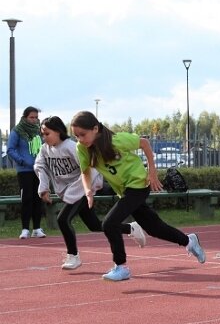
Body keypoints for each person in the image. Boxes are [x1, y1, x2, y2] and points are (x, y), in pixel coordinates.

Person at [70, 111, 205, 281]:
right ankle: (189, 241)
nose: (80, 139)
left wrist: (152, 172)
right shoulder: (82, 148)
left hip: (138, 184)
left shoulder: (117, 140)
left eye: (83, 134)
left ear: (95, 129)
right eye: (76, 136)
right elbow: (85, 172)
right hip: (125, 190)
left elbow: (145, 143)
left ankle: (121, 267)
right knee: (154, 228)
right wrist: (88, 190)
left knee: (109, 223)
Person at [34, 116, 146, 270]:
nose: (44, 137)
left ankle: (73, 256)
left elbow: (91, 170)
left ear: (58, 132)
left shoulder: (70, 147)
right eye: (42, 134)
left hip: (80, 190)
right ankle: (130, 228)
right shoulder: (45, 150)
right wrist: (44, 188)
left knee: (62, 219)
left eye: (47, 134)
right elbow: (40, 167)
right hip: (69, 192)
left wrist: (87, 190)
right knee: (94, 225)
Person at [7, 106, 46, 239]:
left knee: (38, 198)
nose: (34, 120)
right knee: (27, 198)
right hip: (24, 170)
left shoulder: (39, 131)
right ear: (25, 117)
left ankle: (37, 228)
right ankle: (25, 229)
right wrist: (22, 161)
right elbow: (10, 149)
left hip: (38, 170)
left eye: (36, 117)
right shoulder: (17, 131)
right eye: (31, 117)